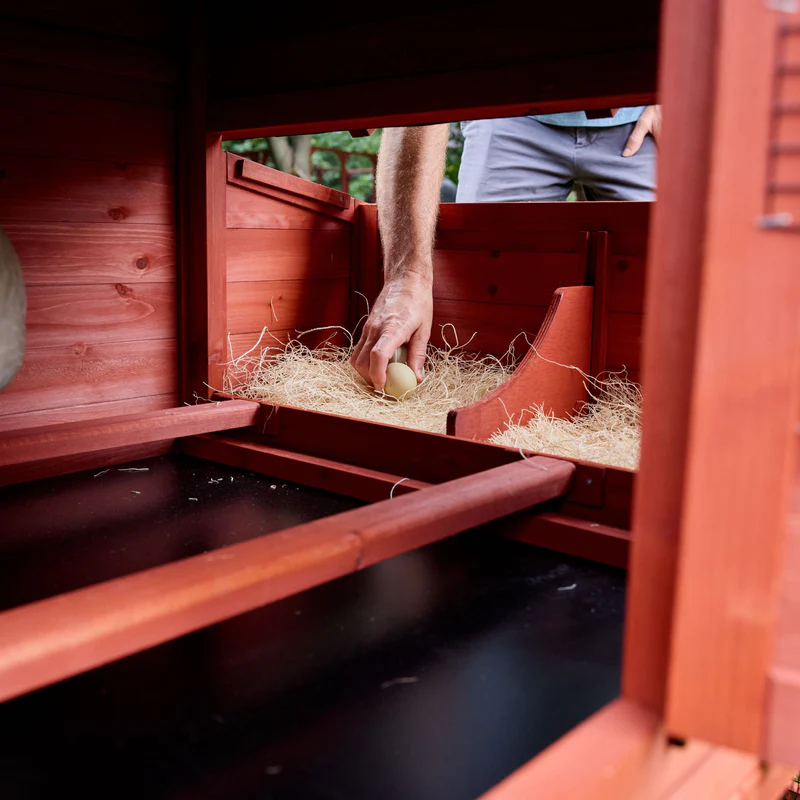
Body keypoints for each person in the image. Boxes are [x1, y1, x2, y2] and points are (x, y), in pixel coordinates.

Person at [350, 106, 661, 391]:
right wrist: (406, 278)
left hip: (637, 117)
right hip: (508, 112)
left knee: (665, 280)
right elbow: (420, 91)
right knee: (477, 283)